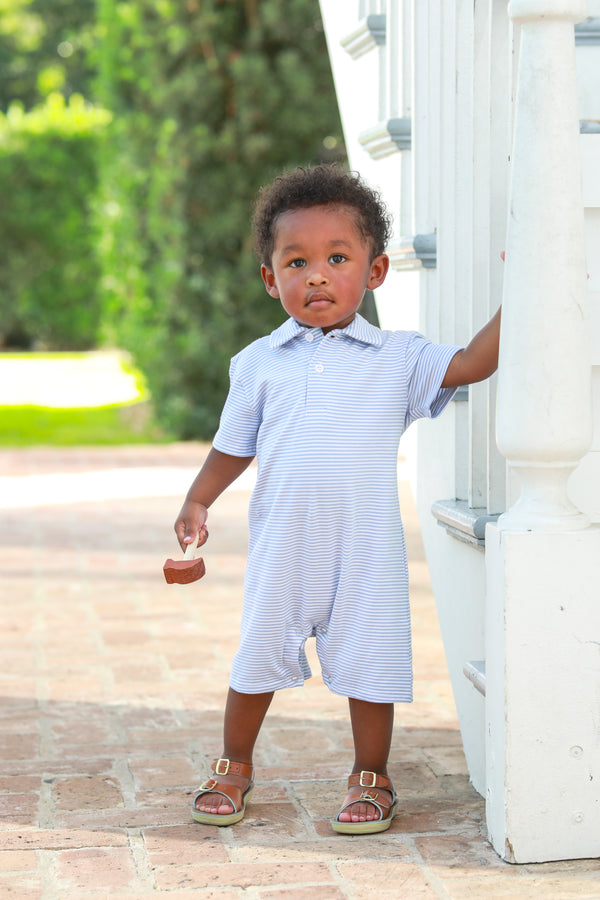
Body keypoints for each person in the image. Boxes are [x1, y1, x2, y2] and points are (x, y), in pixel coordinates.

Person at [174, 164, 500, 834]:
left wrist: (520, 294)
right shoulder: (258, 363)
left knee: (373, 663)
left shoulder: (397, 358)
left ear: (375, 272)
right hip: (283, 545)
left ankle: (371, 776)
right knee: (257, 653)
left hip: (366, 550)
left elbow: (471, 364)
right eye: (296, 262)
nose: (316, 275)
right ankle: (234, 763)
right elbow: (235, 445)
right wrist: (198, 500)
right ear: (271, 279)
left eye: (337, 258)